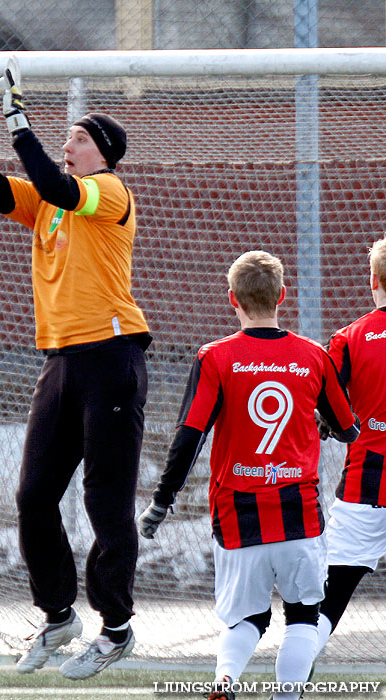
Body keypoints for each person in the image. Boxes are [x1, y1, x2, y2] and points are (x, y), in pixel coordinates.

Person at [0, 48, 151, 679]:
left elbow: (60, 183)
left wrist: (17, 114)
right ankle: (59, 614)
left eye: (79, 139)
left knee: (104, 503)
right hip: (61, 364)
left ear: (104, 153)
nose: (68, 146)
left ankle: (116, 628)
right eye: (65, 138)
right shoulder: (49, 205)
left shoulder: (108, 192)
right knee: (34, 496)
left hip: (112, 358)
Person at [138, 250, 359, 700]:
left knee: (247, 620)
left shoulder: (216, 357)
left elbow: (190, 435)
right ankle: (287, 695)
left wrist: (163, 499)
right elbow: (346, 426)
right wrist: (326, 425)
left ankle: (224, 682)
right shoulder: (313, 357)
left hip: (237, 512)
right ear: (282, 295)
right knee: (303, 615)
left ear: (231, 299)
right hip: (298, 509)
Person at [312, 236, 386, 661]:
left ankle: (289, 690)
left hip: (366, 486)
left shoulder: (349, 338)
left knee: (325, 604)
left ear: (373, 279)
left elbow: (327, 402)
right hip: (364, 483)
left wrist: (328, 423)